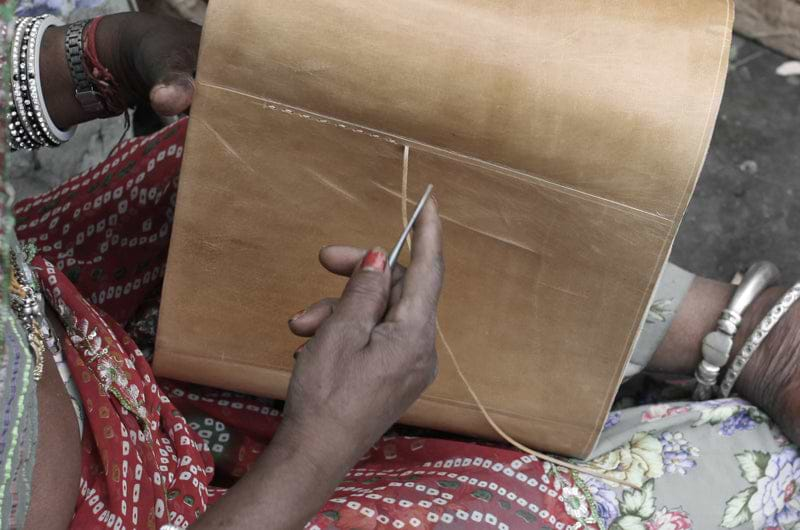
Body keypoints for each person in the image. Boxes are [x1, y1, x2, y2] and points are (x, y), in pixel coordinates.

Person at [1, 10, 798, 530]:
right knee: (703, 484)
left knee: (277, 143)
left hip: (60, 318)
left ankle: (719, 331)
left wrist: (107, 54)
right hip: (133, 505)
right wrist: (320, 445)